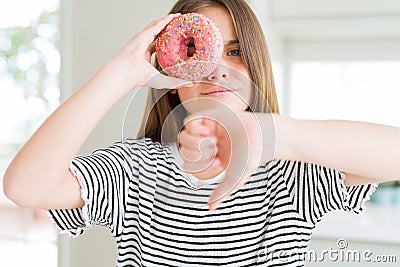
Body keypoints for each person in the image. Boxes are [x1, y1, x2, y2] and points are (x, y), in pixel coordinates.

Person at [2, 0, 399, 266]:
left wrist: (267, 134)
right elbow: (25, 187)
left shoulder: (291, 173)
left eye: (235, 51)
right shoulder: (135, 170)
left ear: (256, 64)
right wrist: (123, 71)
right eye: (197, 53)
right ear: (172, 76)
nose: (216, 69)